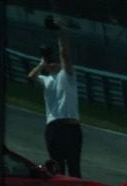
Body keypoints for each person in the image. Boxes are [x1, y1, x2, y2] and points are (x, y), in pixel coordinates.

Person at [27, 22, 82, 177]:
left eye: (53, 61)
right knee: (57, 169)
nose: (51, 64)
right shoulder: (46, 79)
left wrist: (61, 32)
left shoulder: (67, 75)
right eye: (49, 62)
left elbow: (65, 54)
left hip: (71, 128)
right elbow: (31, 77)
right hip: (54, 128)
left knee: (74, 169)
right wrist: (41, 64)